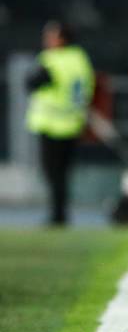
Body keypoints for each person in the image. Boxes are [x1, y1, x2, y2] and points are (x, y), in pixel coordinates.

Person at [26, 21, 95, 225]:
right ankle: (60, 212)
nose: (47, 40)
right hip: (73, 122)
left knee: (52, 172)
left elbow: (31, 82)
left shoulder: (51, 59)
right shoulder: (80, 58)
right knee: (63, 172)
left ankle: (58, 214)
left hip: (51, 123)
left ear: (62, 39)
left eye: (51, 36)